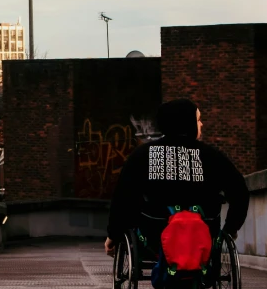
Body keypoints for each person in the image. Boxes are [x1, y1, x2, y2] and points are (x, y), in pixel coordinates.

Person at [105, 98, 249, 257]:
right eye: (198, 119)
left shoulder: (142, 155)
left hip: (154, 237)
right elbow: (240, 192)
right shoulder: (212, 156)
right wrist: (231, 228)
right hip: (203, 235)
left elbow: (123, 197)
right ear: (188, 123)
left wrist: (114, 235)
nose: (201, 124)